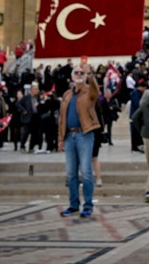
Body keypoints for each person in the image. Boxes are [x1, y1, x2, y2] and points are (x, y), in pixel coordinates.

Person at [57, 65, 100, 218]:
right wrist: (61, 138)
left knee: (87, 172)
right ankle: (73, 204)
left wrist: (91, 75)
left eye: (82, 73)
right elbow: (62, 118)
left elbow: (96, 90)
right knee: (71, 173)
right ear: (72, 76)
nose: (79, 75)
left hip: (84, 134)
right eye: (77, 72)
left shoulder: (89, 91)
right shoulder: (67, 94)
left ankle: (88, 205)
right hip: (69, 136)